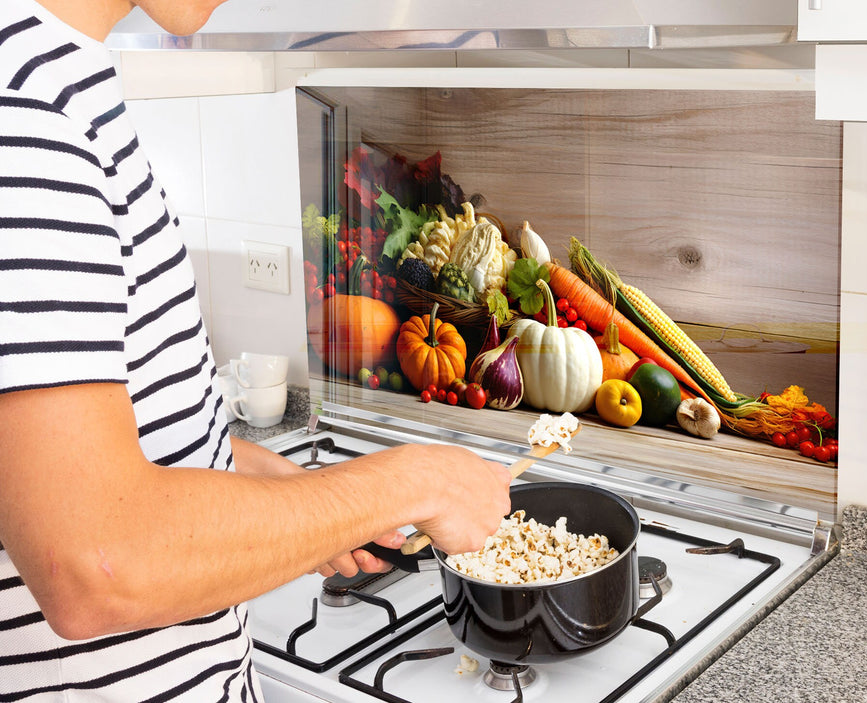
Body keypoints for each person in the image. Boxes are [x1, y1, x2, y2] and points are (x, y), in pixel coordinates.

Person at [0, 0, 513, 699]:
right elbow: (96, 562)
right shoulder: (24, 118)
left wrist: (298, 498)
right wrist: (417, 480)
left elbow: (86, 451)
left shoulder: (56, 80)